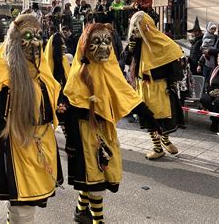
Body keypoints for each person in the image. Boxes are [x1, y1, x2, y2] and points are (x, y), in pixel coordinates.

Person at [64, 23, 161, 223]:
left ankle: (80, 210)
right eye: (97, 42)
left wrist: (150, 119)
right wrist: (72, 142)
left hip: (105, 131)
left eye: (108, 41)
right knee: (96, 181)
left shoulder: (111, 69)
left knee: (97, 177)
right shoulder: (79, 74)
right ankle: (97, 220)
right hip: (86, 134)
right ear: (85, 45)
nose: (104, 47)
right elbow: (72, 110)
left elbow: (127, 94)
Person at [0, 14, 63, 224]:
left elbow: (52, 93)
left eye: (39, 36)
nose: (35, 42)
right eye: (28, 36)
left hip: (42, 143)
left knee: (22, 204)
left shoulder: (42, 68)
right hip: (15, 147)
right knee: (23, 207)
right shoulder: (0, 69)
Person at [124, 11, 184, 160]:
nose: (136, 30)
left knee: (162, 118)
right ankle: (158, 146)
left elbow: (174, 61)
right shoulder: (136, 42)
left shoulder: (163, 41)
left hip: (160, 86)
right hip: (142, 85)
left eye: (139, 26)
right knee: (148, 117)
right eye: (134, 27)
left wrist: (171, 83)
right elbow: (125, 60)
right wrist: (130, 49)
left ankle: (164, 140)